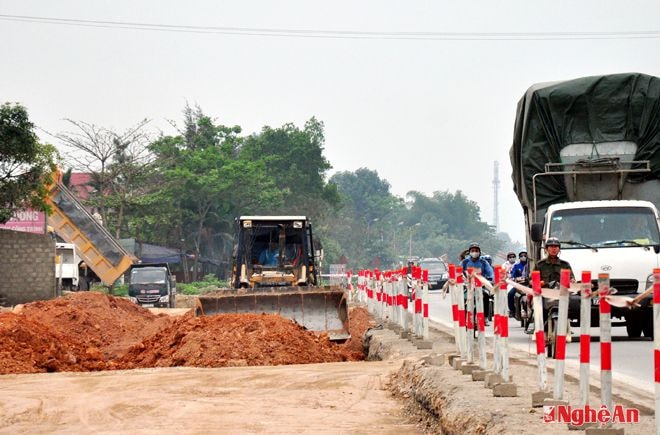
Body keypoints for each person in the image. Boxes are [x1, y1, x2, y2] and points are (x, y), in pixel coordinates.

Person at [460, 242, 494, 323]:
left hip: (481, 285)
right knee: (462, 298)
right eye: (473, 250)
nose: (474, 252)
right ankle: (463, 318)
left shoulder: (483, 262)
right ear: (470, 252)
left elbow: (491, 273)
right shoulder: (465, 262)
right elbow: (458, 272)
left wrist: (490, 280)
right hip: (467, 285)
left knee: (486, 295)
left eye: (476, 250)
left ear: (479, 252)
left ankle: (485, 317)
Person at [508, 250, 529, 317]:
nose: (523, 257)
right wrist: (513, 278)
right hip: (519, 285)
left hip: (528, 285)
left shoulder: (530, 265)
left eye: (525, 256)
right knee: (510, 294)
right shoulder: (516, 266)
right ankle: (512, 311)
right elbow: (512, 274)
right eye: (521, 256)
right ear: (519, 257)